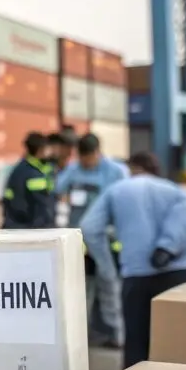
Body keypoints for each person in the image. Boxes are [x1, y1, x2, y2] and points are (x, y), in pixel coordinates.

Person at [79, 152, 186, 370]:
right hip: (181, 273)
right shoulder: (171, 189)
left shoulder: (117, 190)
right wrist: (167, 247)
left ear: (132, 168)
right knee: (183, 344)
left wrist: (108, 267)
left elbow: (90, 227)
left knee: (137, 344)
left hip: (137, 277)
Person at [56, 133, 129, 348]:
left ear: (98, 152)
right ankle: (80, 335)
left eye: (88, 158)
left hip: (105, 238)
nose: (85, 163)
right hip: (78, 239)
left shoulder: (116, 172)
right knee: (79, 287)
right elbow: (58, 189)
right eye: (82, 158)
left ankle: (116, 333)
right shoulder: (73, 169)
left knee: (109, 283)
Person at [1, 131, 55, 229]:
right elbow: (42, 206)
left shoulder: (19, 169)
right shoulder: (34, 175)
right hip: (30, 228)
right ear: (40, 150)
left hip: (14, 225)